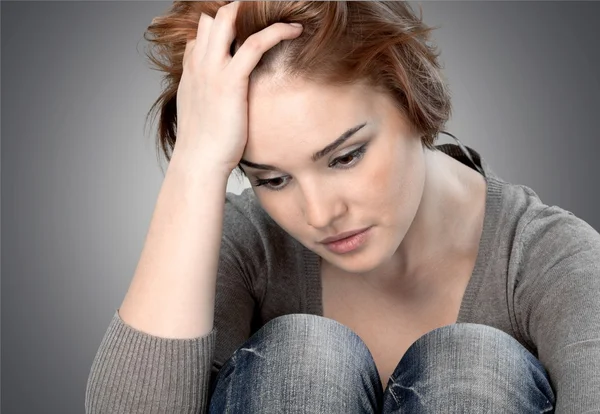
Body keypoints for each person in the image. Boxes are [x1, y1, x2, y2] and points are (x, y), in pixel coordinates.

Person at [85, 1, 600, 413]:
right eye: (274, 178)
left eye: (345, 156)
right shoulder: (251, 245)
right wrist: (195, 166)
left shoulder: (550, 259)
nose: (318, 214)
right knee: (304, 354)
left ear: (413, 99)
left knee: (474, 363)